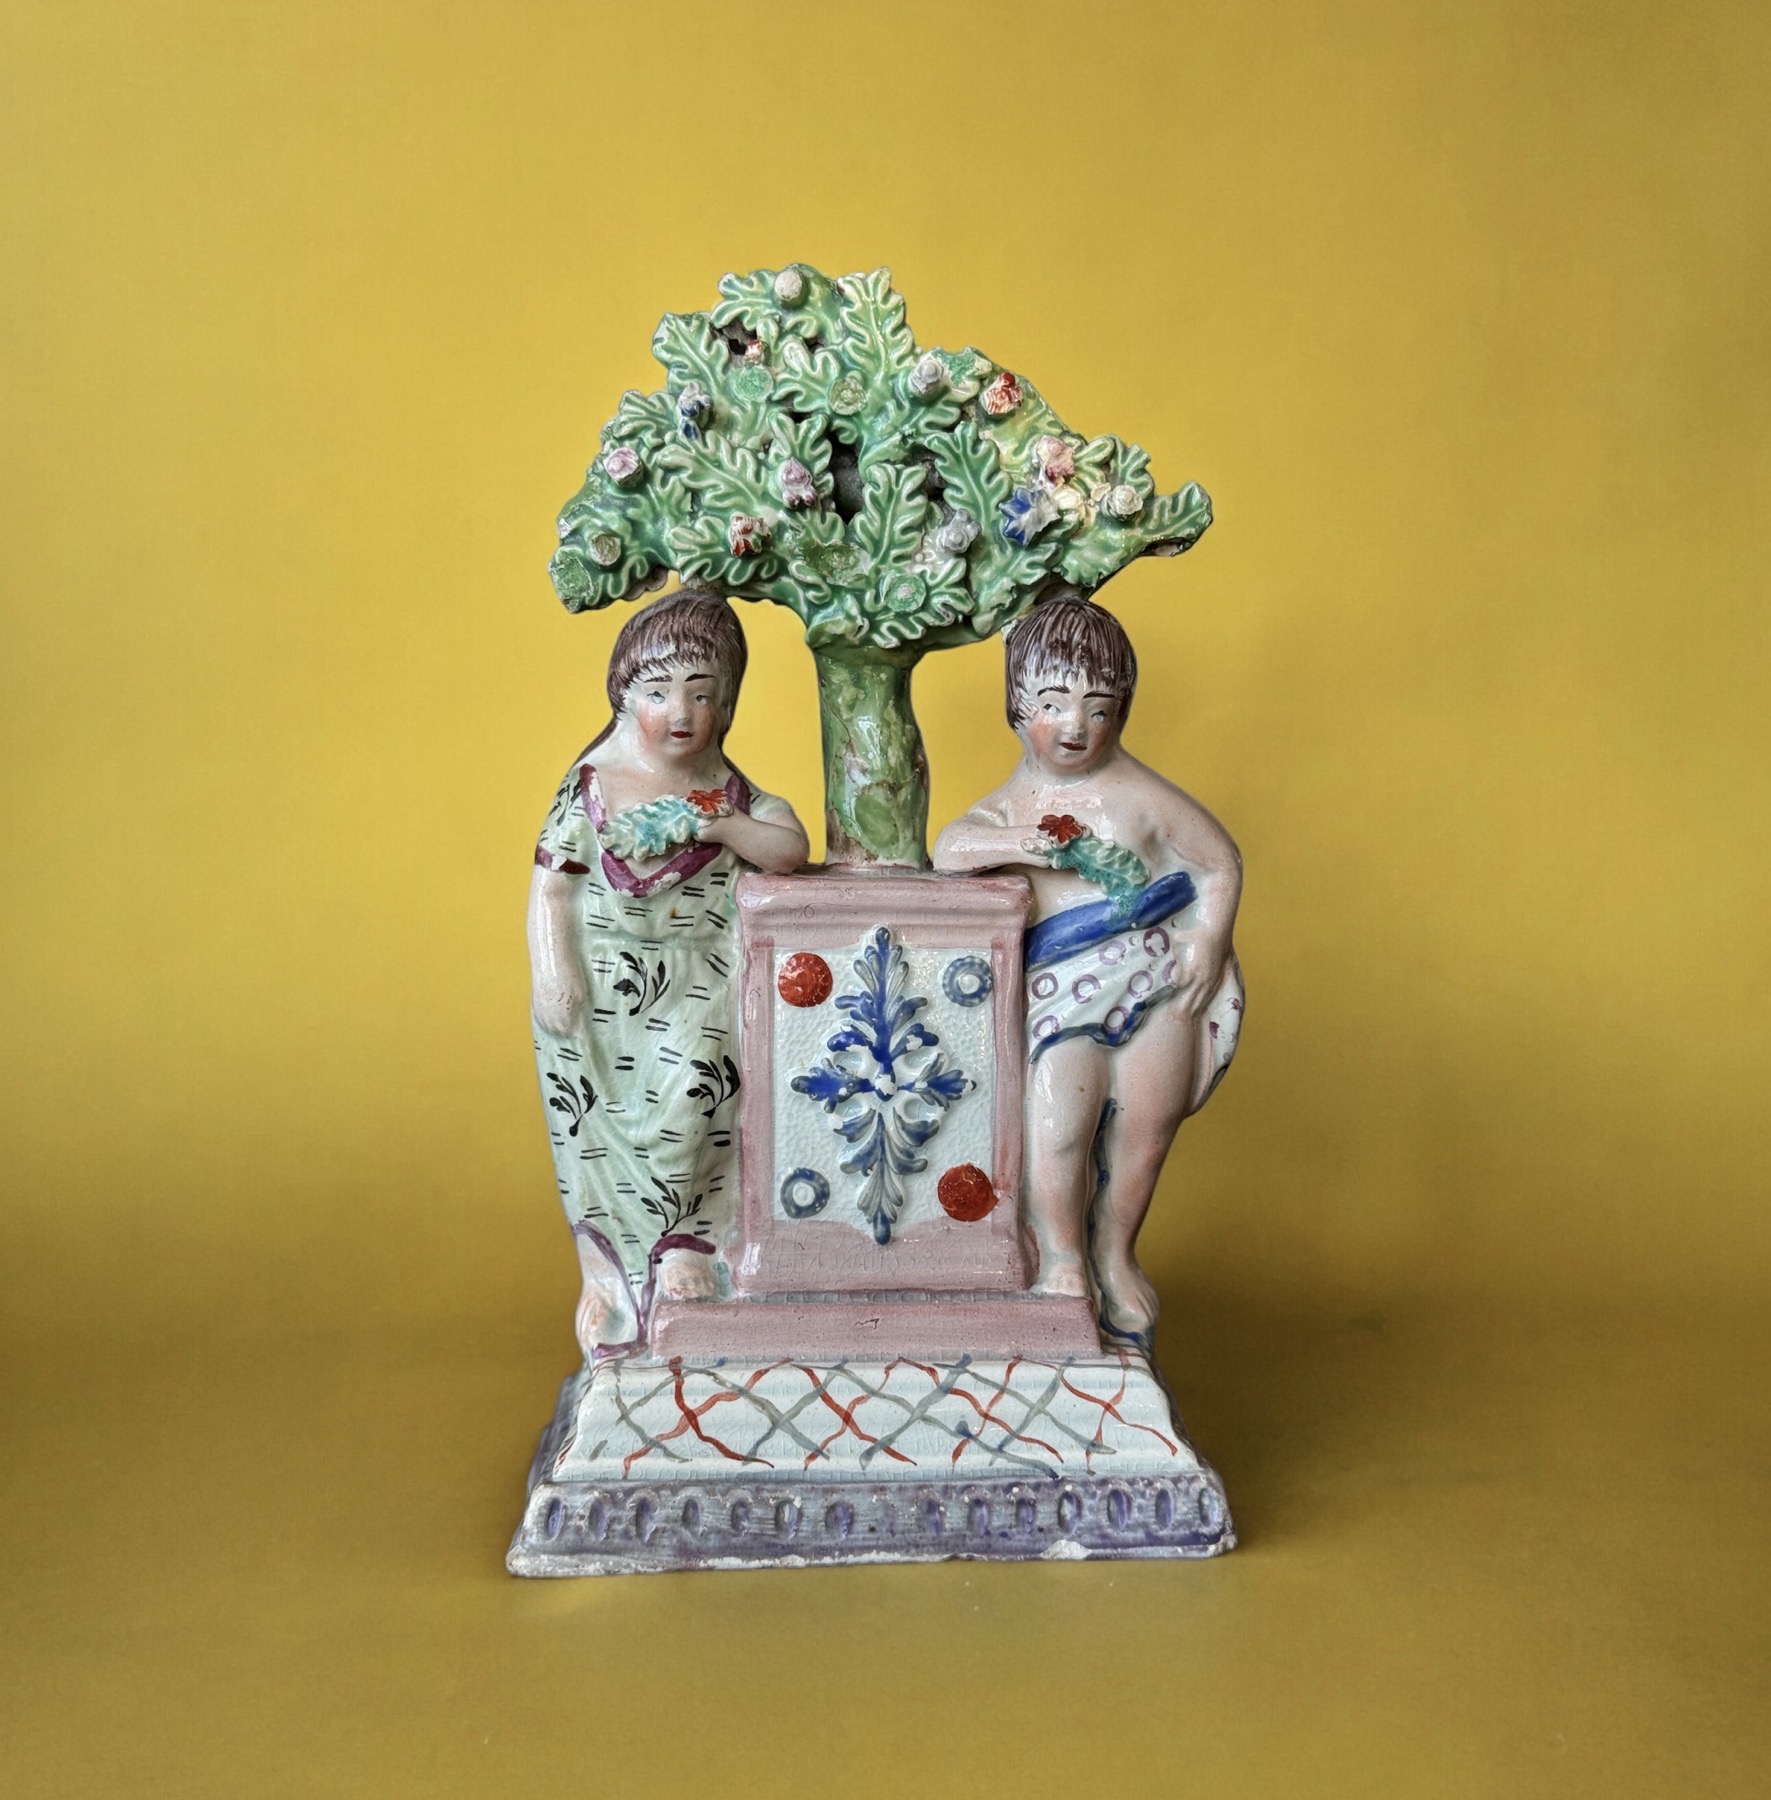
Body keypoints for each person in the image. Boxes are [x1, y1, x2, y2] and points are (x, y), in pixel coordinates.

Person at [932, 592, 1243, 1345]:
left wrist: (1206, 942)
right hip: (1059, 993)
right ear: (1015, 706)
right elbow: (948, 851)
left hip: (1157, 982)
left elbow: (1218, 864)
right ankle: (1064, 1255)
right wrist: (1024, 845)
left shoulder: (1140, 798)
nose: (1075, 726)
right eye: (1052, 703)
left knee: (1145, 1124)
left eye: (1097, 708)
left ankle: (1113, 1250)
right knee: (1059, 1124)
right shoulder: (1013, 804)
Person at [528, 588, 809, 1359]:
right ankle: (616, 1269)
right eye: (658, 693)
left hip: (698, 983)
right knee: (603, 1127)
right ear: (624, 698)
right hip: (601, 990)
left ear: (727, 702)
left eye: (702, 693)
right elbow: (552, 883)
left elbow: (787, 849)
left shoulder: (731, 793)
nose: (681, 712)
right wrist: (552, 970)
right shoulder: (593, 784)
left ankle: (684, 1244)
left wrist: (720, 822)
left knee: (691, 1102)